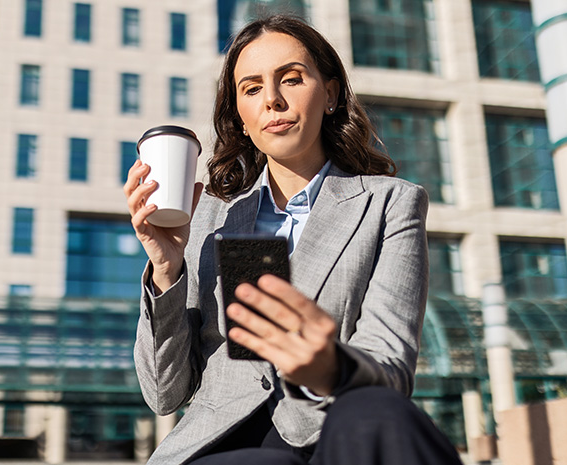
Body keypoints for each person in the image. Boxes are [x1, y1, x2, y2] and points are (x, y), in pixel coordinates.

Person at [123, 15, 462, 465]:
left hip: (336, 433)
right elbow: (165, 394)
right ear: (240, 119)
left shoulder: (387, 205)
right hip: (220, 445)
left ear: (331, 94)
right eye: (252, 88)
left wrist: (327, 366)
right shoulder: (213, 218)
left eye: (292, 79)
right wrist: (167, 270)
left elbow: (390, 369)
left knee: (381, 411)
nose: (273, 101)